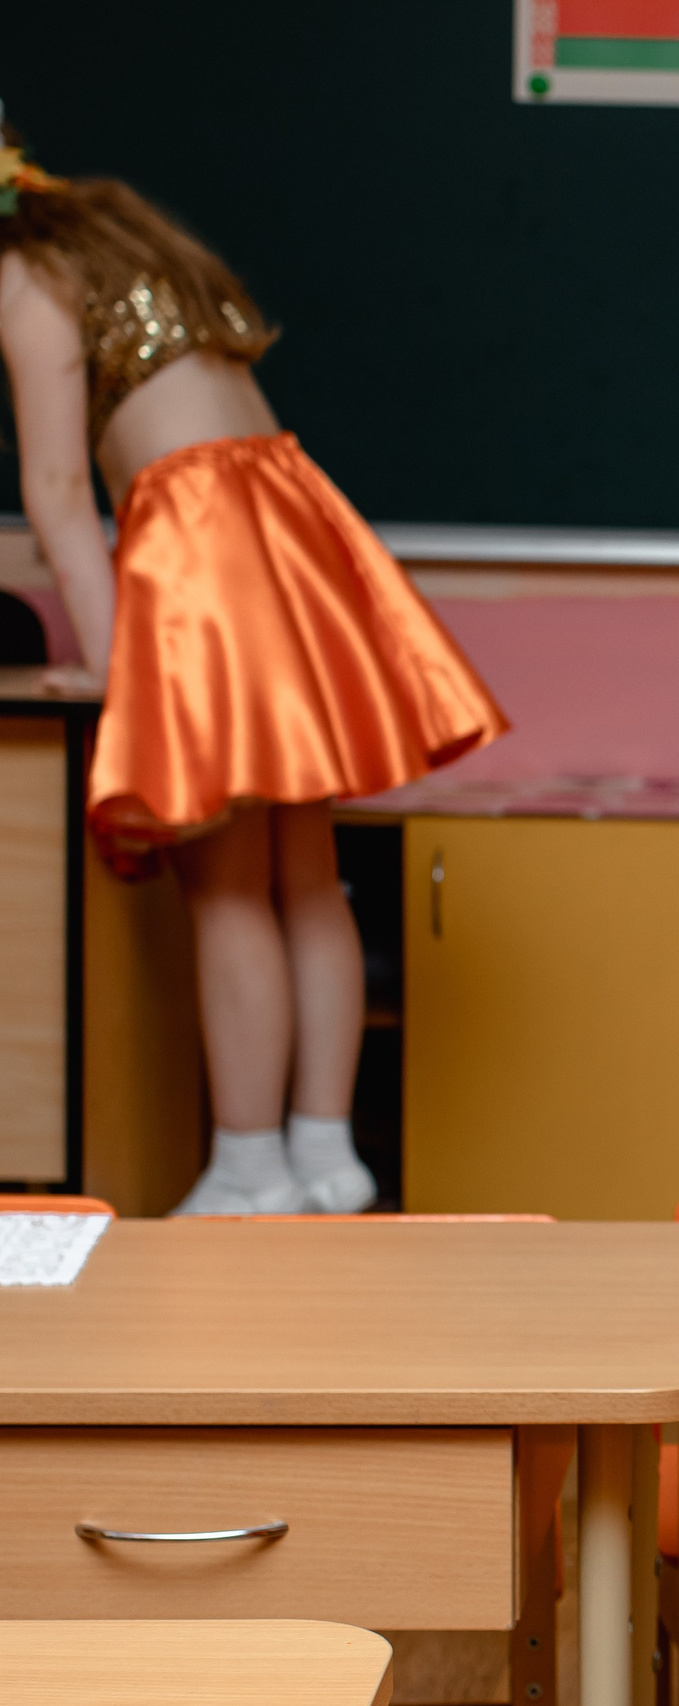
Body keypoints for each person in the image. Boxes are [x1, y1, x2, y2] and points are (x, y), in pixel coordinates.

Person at [0, 129, 507, 1215]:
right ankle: (325, 1151)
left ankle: (248, 1164)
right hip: (290, 511)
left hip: (200, 533)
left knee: (224, 876)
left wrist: (112, 670)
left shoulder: (26, 280)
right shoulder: (122, 253)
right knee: (304, 868)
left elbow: (52, 489)